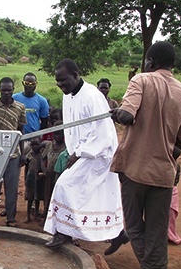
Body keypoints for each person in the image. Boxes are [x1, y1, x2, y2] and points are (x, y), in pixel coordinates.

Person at [110, 41, 181, 269]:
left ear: (149, 60)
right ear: (172, 64)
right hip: (163, 174)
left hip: (134, 170)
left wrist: (119, 113)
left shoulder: (141, 81)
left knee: (134, 227)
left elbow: (126, 114)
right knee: (156, 235)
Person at [44, 59, 123, 248]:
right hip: (81, 151)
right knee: (94, 195)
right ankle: (119, 234)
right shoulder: (68, 95)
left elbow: (102, 133)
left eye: (63, 80)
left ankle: (64, 233)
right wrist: (73, 150)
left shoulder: (92, 96)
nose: (60, 85)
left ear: (75, 75)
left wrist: (79, 153)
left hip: (98, 153)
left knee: (64, 186)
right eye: (57, 81)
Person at [0, 77, 27, 227]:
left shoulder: (20, 108)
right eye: (4, 90)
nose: (7, 93)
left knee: (12, 189)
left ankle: (11, 218)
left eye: (9, 90)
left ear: (13, 90)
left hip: (13, 155)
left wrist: (23, 153)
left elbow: (21, 132)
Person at [41, 122, 66, 218]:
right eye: (55, 134)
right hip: (49, 176)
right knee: (47, 196)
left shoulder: (66, 147)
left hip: (59, 178)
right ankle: (46, 215)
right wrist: (43, 168)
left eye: (59, 134)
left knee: (58, 197)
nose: (57, 136)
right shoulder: (49, 146)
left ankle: (58, 217)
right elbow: (43, 158)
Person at [24, 137, 45, 223]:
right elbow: (26, 168)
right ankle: (28, 216)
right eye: (33, 145)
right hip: (30, 178)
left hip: (39, 178)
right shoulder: (29, 155)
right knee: (30, 198)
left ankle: (36, 214)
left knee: (37, 198)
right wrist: (25, 178)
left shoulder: (42, 155)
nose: (35, 147)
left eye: (37, 144)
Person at [168, 147, 181, 245]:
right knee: (171, 216)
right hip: (173, 190)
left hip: (168, 190)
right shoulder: (177, 166)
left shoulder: (167, 165)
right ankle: (171, 235)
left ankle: (168, 235)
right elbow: (177, 180)